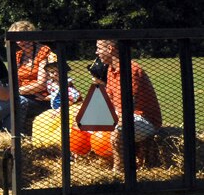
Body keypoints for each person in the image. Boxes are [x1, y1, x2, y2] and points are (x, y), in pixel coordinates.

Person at [95, 39, 162, 172]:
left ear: (110, 49)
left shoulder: (132, 70)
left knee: (117, 132)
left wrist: (114, 120)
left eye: (99, 48)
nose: (96, 52)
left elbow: (129, 104)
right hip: (123, 115)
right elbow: (108, 99)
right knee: (88, 127)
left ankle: (119, 171)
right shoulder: (110, 70)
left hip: (144, 119)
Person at [8, 20, 51, 135]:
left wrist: (17, 91)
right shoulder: (18, 56)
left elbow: (42, 84)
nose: (19, 41)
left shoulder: (43, 52)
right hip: (23, 95)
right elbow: (14, 81)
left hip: (41, 99)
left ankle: (18, 137)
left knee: (19, 102)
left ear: (30, 35)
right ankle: (5, 134)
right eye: (16, 38)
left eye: (22, 37)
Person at [31, 52, 82, 147]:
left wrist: (60, 110)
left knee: (62, 124)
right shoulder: (51, 84)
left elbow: (72, 99)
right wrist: (45, 98)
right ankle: (43, 146)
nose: (54, 74)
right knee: (39, 120)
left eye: (56, 71)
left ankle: (60, 145)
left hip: (69, 107)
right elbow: (54, 95)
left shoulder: (66, 84)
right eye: (51, 72)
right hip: (57, 109)